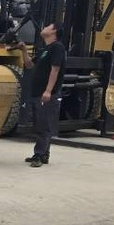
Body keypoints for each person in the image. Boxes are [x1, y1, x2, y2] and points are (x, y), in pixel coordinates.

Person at [15, 22, 67, 167]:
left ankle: (39, 155)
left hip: (47, 93)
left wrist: (48, 90)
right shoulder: (45, 49)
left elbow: (55, 69)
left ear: (54, 31)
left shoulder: (57, 47)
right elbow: (30, 65)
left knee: (44, 125)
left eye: (48, 26)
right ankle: (44, 155)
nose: (44, 28)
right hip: (37, 93)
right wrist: (24, 51)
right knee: (40, 124)